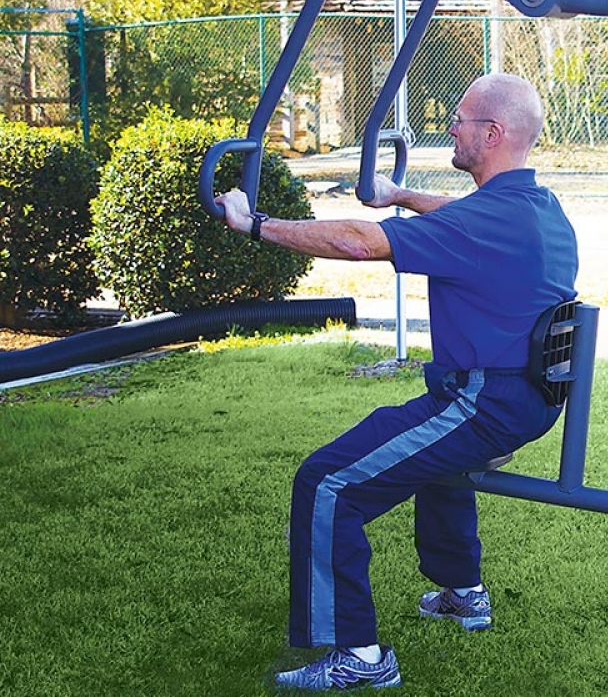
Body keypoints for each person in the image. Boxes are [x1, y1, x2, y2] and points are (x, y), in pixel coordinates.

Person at [214, 73, 578, 691]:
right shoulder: (534, 207)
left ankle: (359, 657)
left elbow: (358, 243)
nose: (451, 128)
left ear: (491, 134)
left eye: (461, 120)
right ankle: (464, 592)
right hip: (526, 398)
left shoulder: (483, 221)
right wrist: (399, 195)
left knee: (327, 482)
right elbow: (457, 216)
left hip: (485, 401)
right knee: (434, 455)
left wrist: (255, 224)